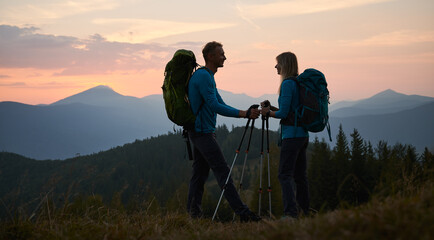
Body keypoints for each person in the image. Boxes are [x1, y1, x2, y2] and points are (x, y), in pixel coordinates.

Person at [187, 41, 261, 222]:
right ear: (210, 56)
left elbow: (220, 103)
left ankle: (193, 215)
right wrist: (244, 114)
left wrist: (245, 113)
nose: (225, 57)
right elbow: (214, 105)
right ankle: (243, 214)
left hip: (200, 131)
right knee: (223, 171)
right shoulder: (204, 77)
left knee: (199, 174)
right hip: (202, 132)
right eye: (221, 54)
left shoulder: (207, 76)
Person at [260, 52, 310, 219]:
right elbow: (289, 111)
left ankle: (290, 213)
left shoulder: (288, 84)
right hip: (302, 135)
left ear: (285, 64)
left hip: (291, 136)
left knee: (284, 174)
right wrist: (272, 108)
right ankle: (304, 211)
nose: (276, 66)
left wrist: (268, 113)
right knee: (300, 176)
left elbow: (283, 114)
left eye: (278, 63)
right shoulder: (297, 83)